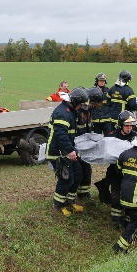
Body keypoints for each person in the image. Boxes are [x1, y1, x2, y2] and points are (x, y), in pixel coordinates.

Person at [46, 87, 88, 216]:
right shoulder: (62, 113)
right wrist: (70, 150)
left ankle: (70, 202)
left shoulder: (70, 111)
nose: (81, 107)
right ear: (75, 102)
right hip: (57, 153)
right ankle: (59, 205)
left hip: (67, 151)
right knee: (66, 179)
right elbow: (61, 135)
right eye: (80, 104)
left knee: (78, 175)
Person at [99, 111, 137, 226]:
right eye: (127, 125)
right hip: (115, 172)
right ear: (121, 125)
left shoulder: (136, 137)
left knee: (128, 195)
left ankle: (128, 216)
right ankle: (116, 219)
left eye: (131, 126)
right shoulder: (112, 136)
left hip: (130, 172)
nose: (129, 128)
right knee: (116, 196)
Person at [74, 87, 103, 202]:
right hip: (77, 146)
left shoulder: (88, 110)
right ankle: (72, 195)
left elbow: (88, 128)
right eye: (96, 103)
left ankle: (83, 194)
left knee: (86, 170)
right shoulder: (80, 111)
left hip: (85, 146)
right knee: (78, 172)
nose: (97, 106)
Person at [105, 70, 137, 135]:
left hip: (111, 120)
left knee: (112, 137)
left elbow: (107, 103)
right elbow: (133, 106)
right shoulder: (129, 90)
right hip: (123, 120)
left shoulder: (112, 88)